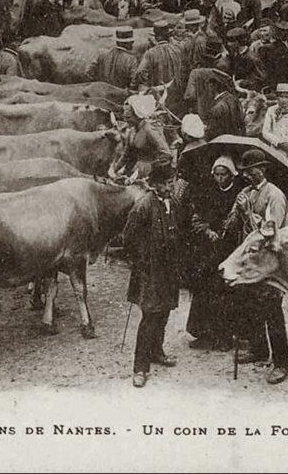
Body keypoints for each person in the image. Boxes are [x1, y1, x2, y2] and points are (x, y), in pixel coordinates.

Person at [223, 148, 288, 385]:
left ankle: (281, 363)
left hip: (271, 263)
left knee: (272, 310)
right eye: (244, 171)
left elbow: (268, 233)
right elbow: (230, 227)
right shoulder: (244, 192)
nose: (246, 175)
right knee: (250, 305)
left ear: (261, 170)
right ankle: (259, 349)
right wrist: (237, 210)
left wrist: (248, 212)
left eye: (250, 171)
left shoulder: (275, 196)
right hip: (250, 262)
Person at [124, 161, 184, 388]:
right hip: (149, 271)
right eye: (167, 184)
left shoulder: (173, 203)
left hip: (168, 269)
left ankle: (157, 351)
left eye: (172, 182)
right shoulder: (143, 206)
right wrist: (141, 259)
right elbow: (128, 237)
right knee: (150, 316)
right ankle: (140, 367)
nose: (171, 187)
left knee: (165, 311)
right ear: (155, 184)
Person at [185, 155, 245, 351]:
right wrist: (207, 231)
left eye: (223, 175)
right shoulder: (207, 191)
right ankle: (205, 334)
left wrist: (234, 222)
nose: (219, 178)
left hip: (230, 249)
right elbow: (197, 218)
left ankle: (226, 336)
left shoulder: (239, 193)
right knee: (205, 291)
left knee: (226, 293)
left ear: (231, 174)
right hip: (209, 250)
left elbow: (244, 222)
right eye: (216, 174)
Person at [112, 94, 171, 178]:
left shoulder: (149, 130)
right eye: (125, 118)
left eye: (128, 117)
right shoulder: (131, 131)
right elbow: (126, 154)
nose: (125, 121)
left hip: (148, 174)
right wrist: (114, 170)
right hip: (131, 171)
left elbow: (167, 154)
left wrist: (150, 166)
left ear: (138, 116)